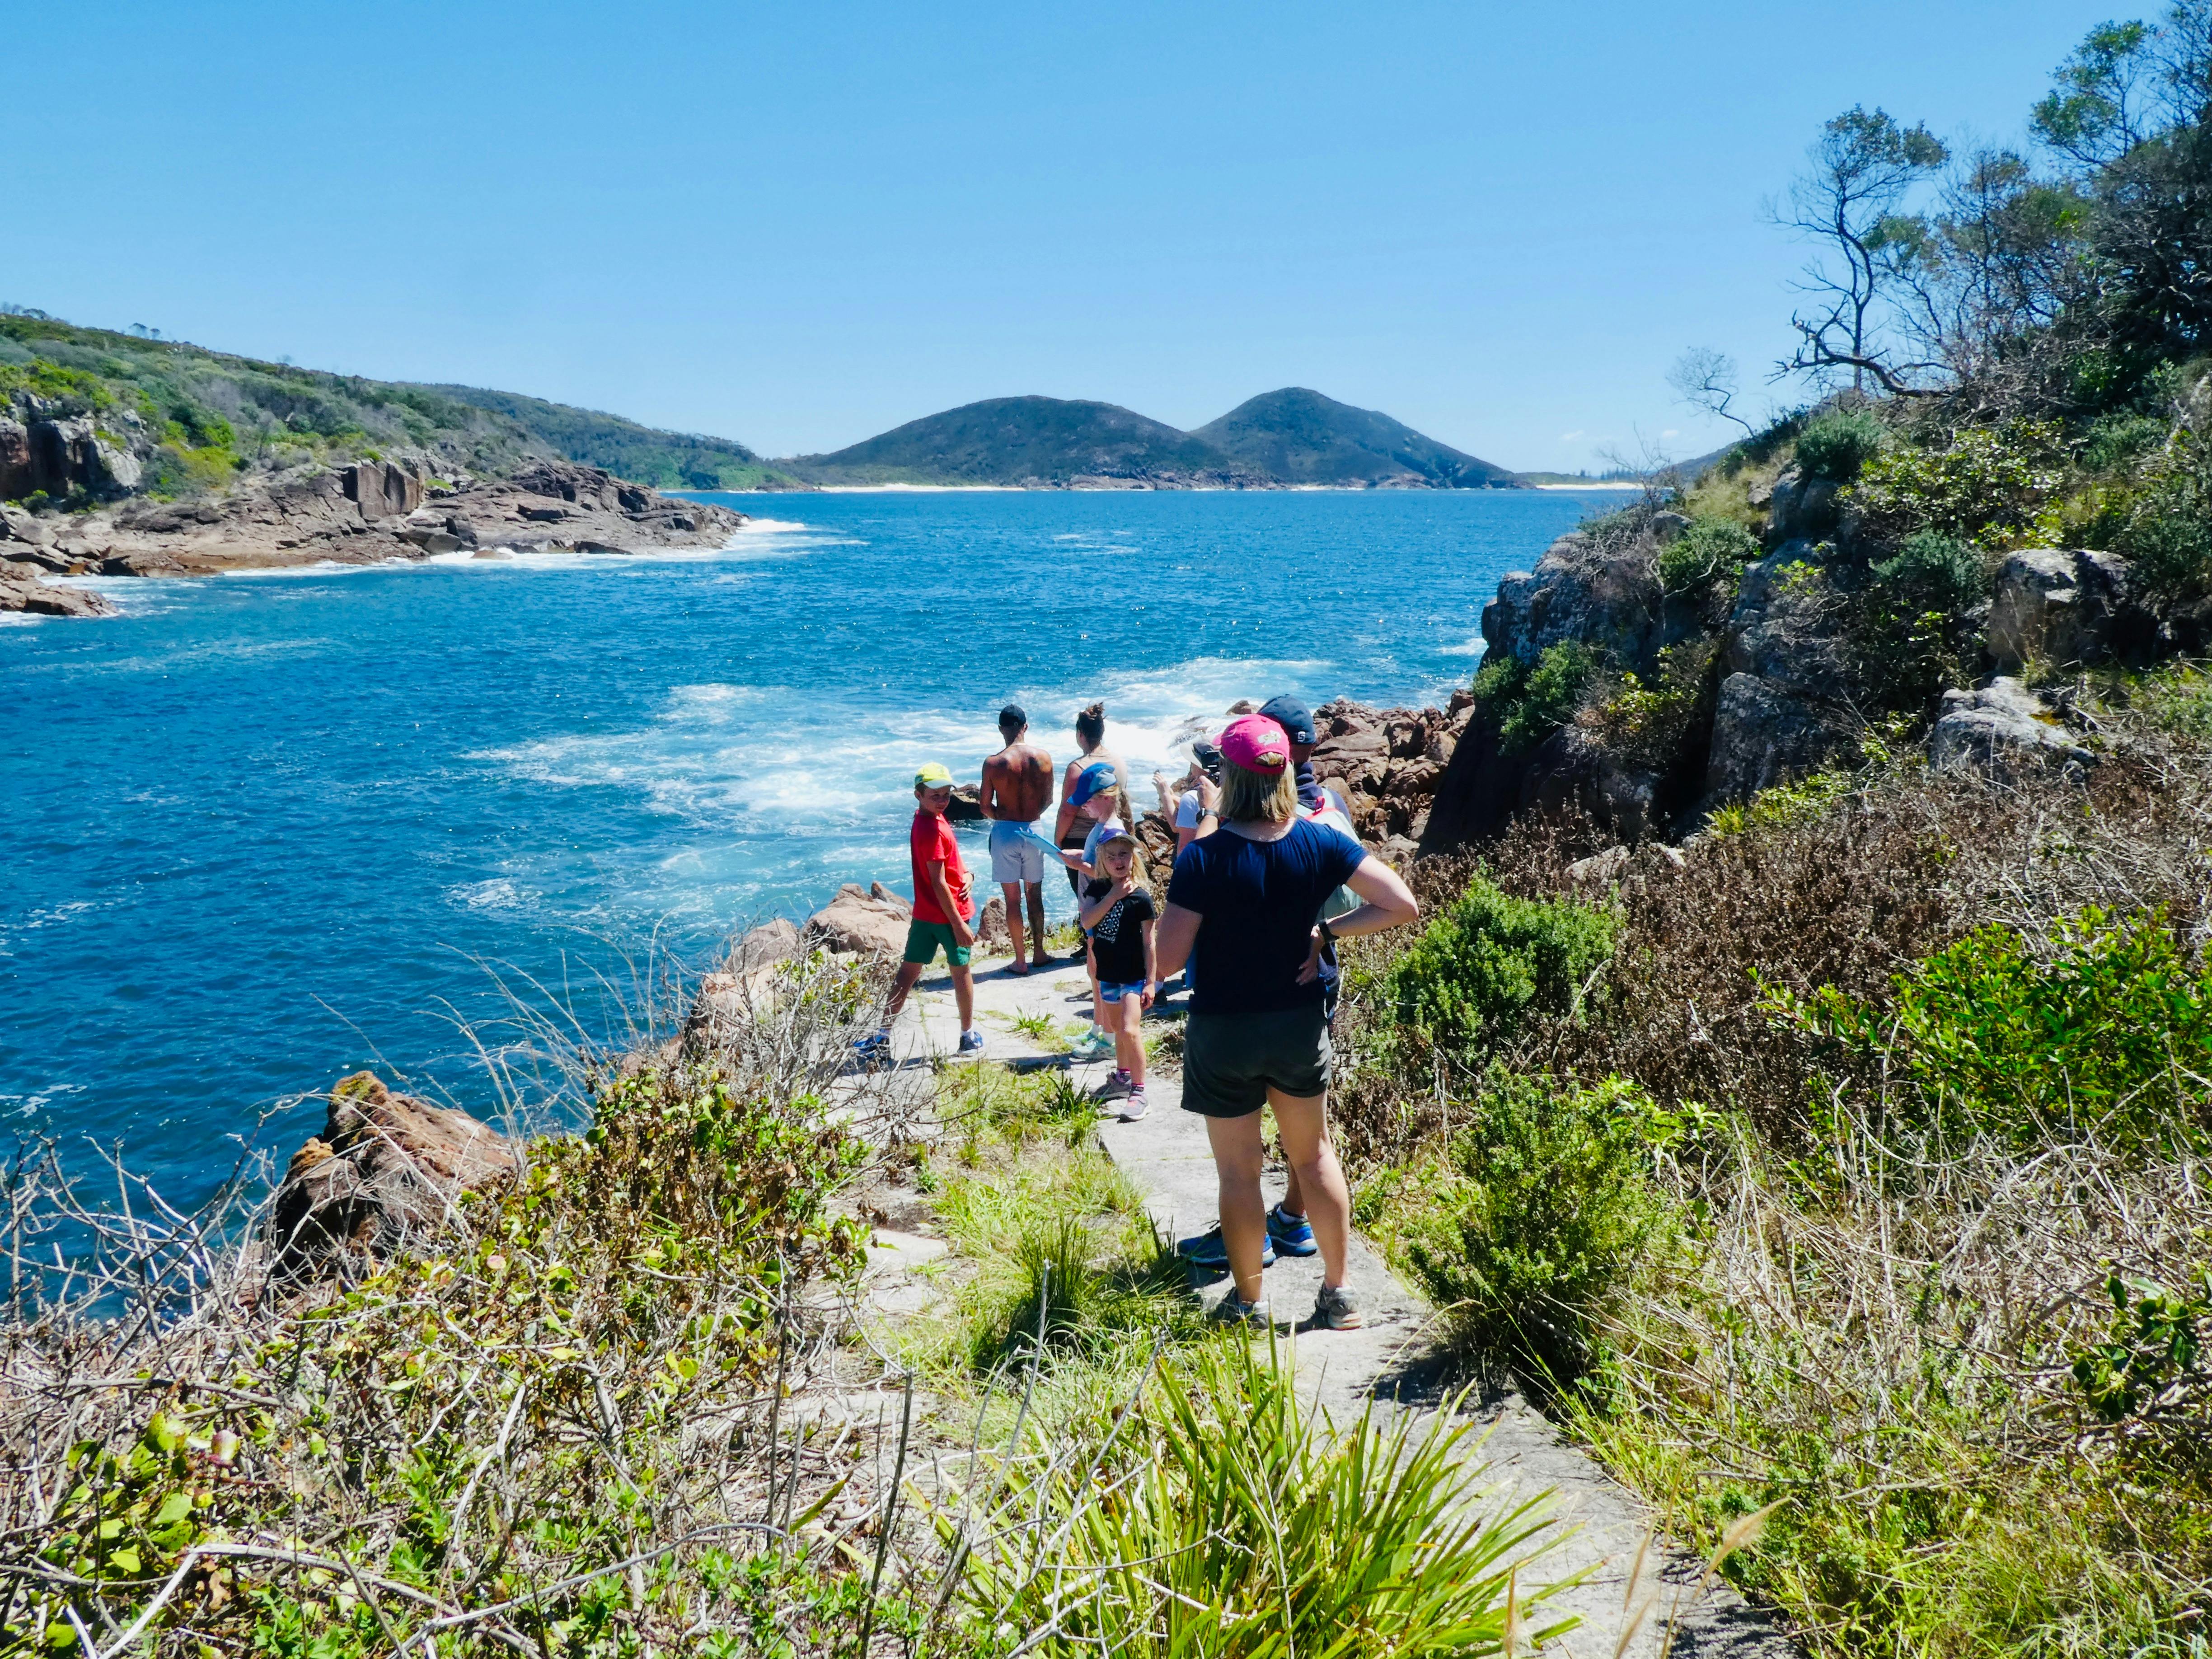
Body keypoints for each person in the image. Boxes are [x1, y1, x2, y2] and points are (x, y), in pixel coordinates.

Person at [1154, 715, 1420, 1329]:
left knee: (1238, 1170)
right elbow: (1400, 905)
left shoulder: (1204, 858)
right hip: (1298, 1025)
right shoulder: (1320, 840)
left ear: (1230, 777)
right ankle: (1340, 1293)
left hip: (1224, 1030)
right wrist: (1326, 931)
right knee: (1314, 1156)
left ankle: (1249, 1303)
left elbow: (1168, 961)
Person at [855, 764, 984, 1061]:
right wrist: (959, 925)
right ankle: (968, 1037)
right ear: (918, 795)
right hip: (946, 915)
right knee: (960, 972)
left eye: (946, 795)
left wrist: (968, 876)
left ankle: (883, 1035)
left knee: (908, 972)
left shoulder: (928, 819)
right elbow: (939, 883)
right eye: (934, 796)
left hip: (926, 914)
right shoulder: (931, 829)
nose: (942, 801)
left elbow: (953, 866)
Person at [1048, 760, 1129, 1060]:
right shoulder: (1101, 827)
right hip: (1093, 908)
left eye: (1088, 801)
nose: (1083, 807)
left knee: (1103, 975)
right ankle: (1098, 1029)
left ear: (1106, 799)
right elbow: (1097, 857)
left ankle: (1109, 1039)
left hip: (1104, 911)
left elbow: (1110, 872)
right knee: (1094, 970)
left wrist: (1077, 864)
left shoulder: (1113, 829)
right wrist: (1080, 855)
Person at [1078, 826, 1157, 1119]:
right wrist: (1111, 896)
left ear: (1133, 857)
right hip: (1108, 974)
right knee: (1116, 1031)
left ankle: (1139, 1092)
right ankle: (1122, 1078)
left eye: (1124, 854)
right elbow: (1088, 921)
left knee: (1129, 1029)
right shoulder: (1098, 890)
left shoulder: (1141, 898)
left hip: (1134, 976)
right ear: (1103, 859)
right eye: (1112, 855)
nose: (1118, 860)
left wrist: (1151, 982)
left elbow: (1150, 942)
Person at [978, 703, 1054, 975]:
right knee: (1035, 894)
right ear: (1026, 726)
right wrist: (1030, 815)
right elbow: (1049, 800)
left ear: (1001, 729)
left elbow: (985, 806)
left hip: (1006, 830)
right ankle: (1040, 953)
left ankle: (1020, 961)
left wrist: (1004, 816)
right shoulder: (1044, 758)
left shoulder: (994, 763)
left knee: (1012, 901)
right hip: (1034, 829)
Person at [1053, 702, 1132, 897]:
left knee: (1088, 897)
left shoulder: (1077, 768)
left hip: (1080, 838)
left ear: (1080, 734)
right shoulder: (1118, 762)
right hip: (1115, 837)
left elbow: (1067, 811)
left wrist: (1057, 841)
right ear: (1102, 732)